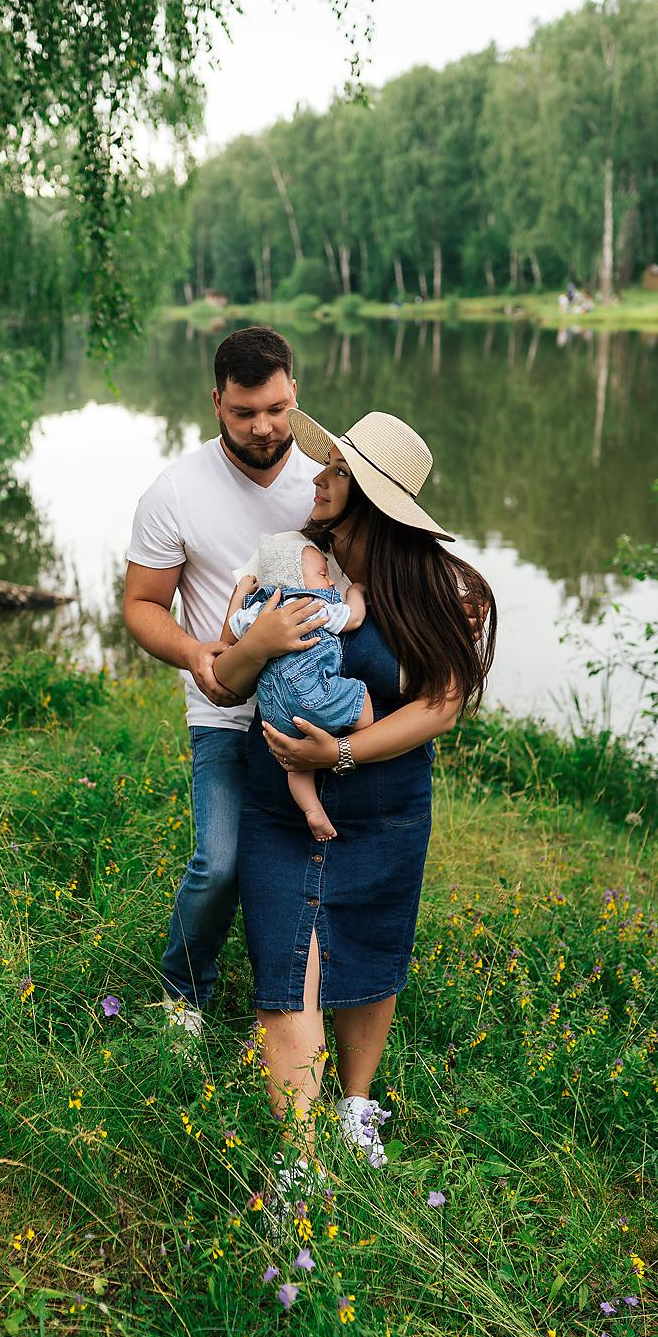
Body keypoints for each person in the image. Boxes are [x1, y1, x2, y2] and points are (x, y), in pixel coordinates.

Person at [213, 408, 496, 1190]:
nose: (317, 479)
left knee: (372, 954)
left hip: (387, 809)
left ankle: (356, 1109)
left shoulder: (440, 590)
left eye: (335, 471)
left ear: (371, 494)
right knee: (284, 967)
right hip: (278, 803)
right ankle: (301, 1165)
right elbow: (228, 681)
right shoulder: (294, 565)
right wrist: (259, 645)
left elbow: (439, 704)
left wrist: (336, 750)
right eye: (327, 466)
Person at [124, 326, 321, 1033]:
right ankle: (182, 994)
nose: (266, 427)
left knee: (319, 868)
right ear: (216, 402)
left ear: (294, 389)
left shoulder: (330, 484)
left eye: (277, 407)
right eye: (245, 413)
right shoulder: (175, 491)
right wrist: (193, 655)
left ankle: (313, 995)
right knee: (221, 863)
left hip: (318, 710)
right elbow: (143, 605)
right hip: (225, 710)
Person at [224, 530, 373, 841]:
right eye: (322, 574)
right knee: (362, 699)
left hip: (273, 712)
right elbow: (355, 619)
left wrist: (240, 591)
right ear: (294, 579)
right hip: (314, 696)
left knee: (294, 763)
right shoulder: (315, 606)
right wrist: (356, 591)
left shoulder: (259, 612)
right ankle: (354, 737)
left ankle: (312, 811)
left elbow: (234, 625)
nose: (330, 582)